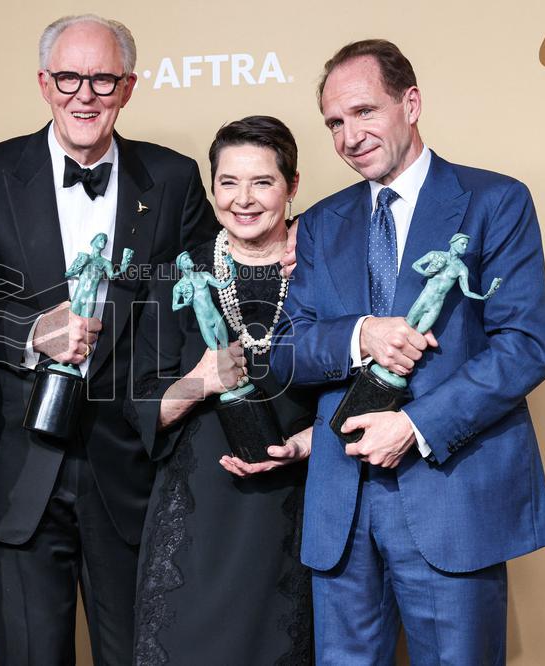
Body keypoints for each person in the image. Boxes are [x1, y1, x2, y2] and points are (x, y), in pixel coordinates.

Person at [0, 14, 217, 665]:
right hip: (14, 473)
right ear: (44, 82)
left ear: (128, 87)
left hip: (132, 471)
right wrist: (31, 331)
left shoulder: (172, 180)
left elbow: (207, 293)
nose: (84, 94)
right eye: (69, 77)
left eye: (102, 79)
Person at [269, 40, 545, 664]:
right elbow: (287, 349)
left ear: (412, 103)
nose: (350, 136)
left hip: (450, 490)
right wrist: (360, 333)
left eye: (365, 112)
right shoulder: (317, 223)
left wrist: (416, 426)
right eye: (335, 123)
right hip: (341, 503)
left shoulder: (495, 202)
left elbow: (525, 347)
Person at [126, 116, 315, 665]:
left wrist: (306, 441)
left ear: (292, 186)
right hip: (198, 522)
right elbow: (138, 407)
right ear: (211, 189)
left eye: (262, 182)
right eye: (228, 182)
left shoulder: (320, 268)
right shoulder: (177, 278)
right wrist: (200, 381)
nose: (244, 199)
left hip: (296, 515)